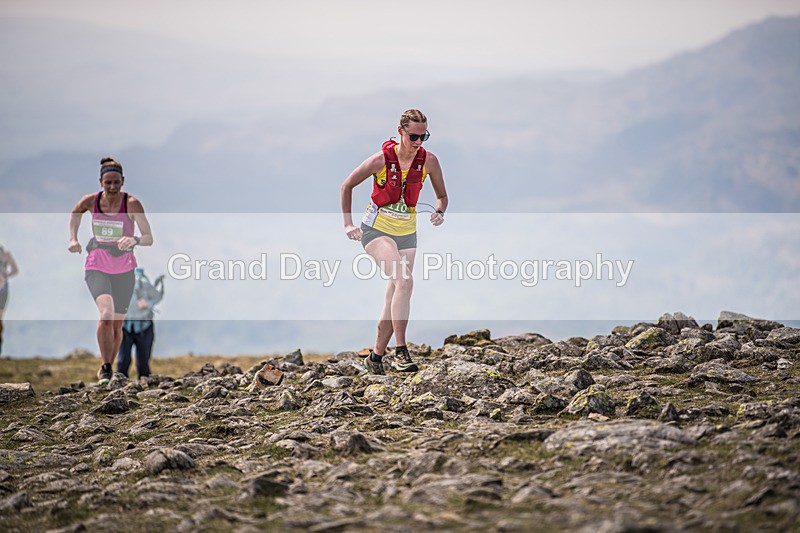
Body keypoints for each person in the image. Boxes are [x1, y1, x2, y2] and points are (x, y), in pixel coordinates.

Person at [340, 109, 448, 374]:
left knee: (395, 294)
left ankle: (376, 357)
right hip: (375, 230)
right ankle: (401, 352)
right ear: (400, 131)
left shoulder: (429, 161)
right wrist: (348, 224)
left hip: (407, 233)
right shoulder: (380, 161)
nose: (418, 142)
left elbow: (442, 196)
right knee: (405, 280)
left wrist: (439, 211)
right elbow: (347, 186)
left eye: (424, 137)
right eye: (413, 136)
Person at [68, 157, 153, 385]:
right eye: (108, 183)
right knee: (106, 314)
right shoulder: (91, 201)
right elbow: (75, 213)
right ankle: (105, 367)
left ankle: (110, 366)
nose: (113, 187)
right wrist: (73, 239)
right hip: (97, 264)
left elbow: (148, 238)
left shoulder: (132, 204)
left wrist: (134, 239)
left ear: (123, 181)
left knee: (117, 325)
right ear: (101, 182)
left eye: (116, 182)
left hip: (124, 269)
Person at [118, 267, 164, 378]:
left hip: (136, 326)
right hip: (131, 326)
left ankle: (120, 383)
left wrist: (147, 304)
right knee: (129, 360)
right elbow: (158, 296)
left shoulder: (120, 285)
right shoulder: (144, 283)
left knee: (133, 360)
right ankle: (139, 382)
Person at [0, 244, 20, 356]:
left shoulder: (5, 253)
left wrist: (4, 276)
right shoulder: (5, 253)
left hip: (2, 291)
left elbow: (15, 270)